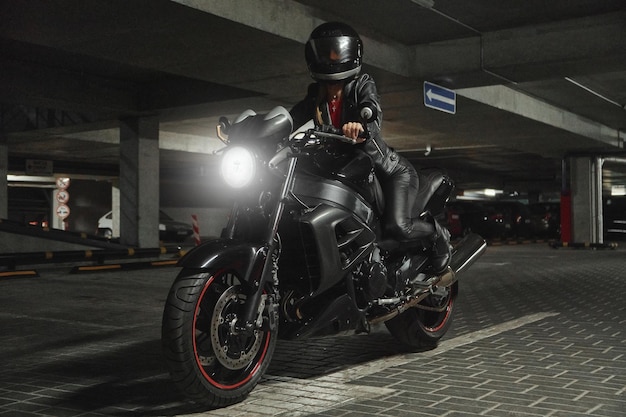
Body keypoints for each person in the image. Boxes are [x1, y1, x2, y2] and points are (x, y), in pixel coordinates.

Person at [290, 22, 451, 274]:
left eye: (337, 53)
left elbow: (371, 110)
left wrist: (362, 124)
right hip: (345, 166)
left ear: (352, 54)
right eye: (325, 53)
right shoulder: (315, 94)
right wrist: (255, 130)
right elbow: (291, 119)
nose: (332, 59)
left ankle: (437, 236)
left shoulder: (362, 84)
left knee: (398, 227)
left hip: (387, 170)